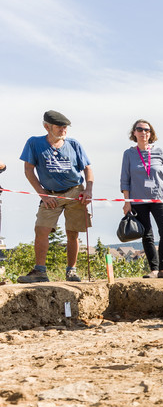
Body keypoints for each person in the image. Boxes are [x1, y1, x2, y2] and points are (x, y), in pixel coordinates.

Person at [18, 110, 94, 283]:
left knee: (72, 232)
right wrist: (43, 195)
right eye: (59, 127)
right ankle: (40, 272)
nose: (63, 130)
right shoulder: (34, 143)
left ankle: (71, 271)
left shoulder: (74, 144)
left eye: (65, 127)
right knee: (41, 229)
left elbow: (88, 168)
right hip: (50, 194)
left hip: (75, 192)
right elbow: (28, 170)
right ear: (47, 126)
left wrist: (88, 190)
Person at [120, 119, 163, 279]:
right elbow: (124, 179)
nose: (144, 133)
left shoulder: (159, 152)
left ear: (151, 133)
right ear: (134, 133)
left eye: (147, 130)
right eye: (140, 129)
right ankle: (154, 269)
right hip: (138, 201)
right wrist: (127, 202)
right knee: (147, 234)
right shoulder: (129, 154)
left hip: (159, 199)